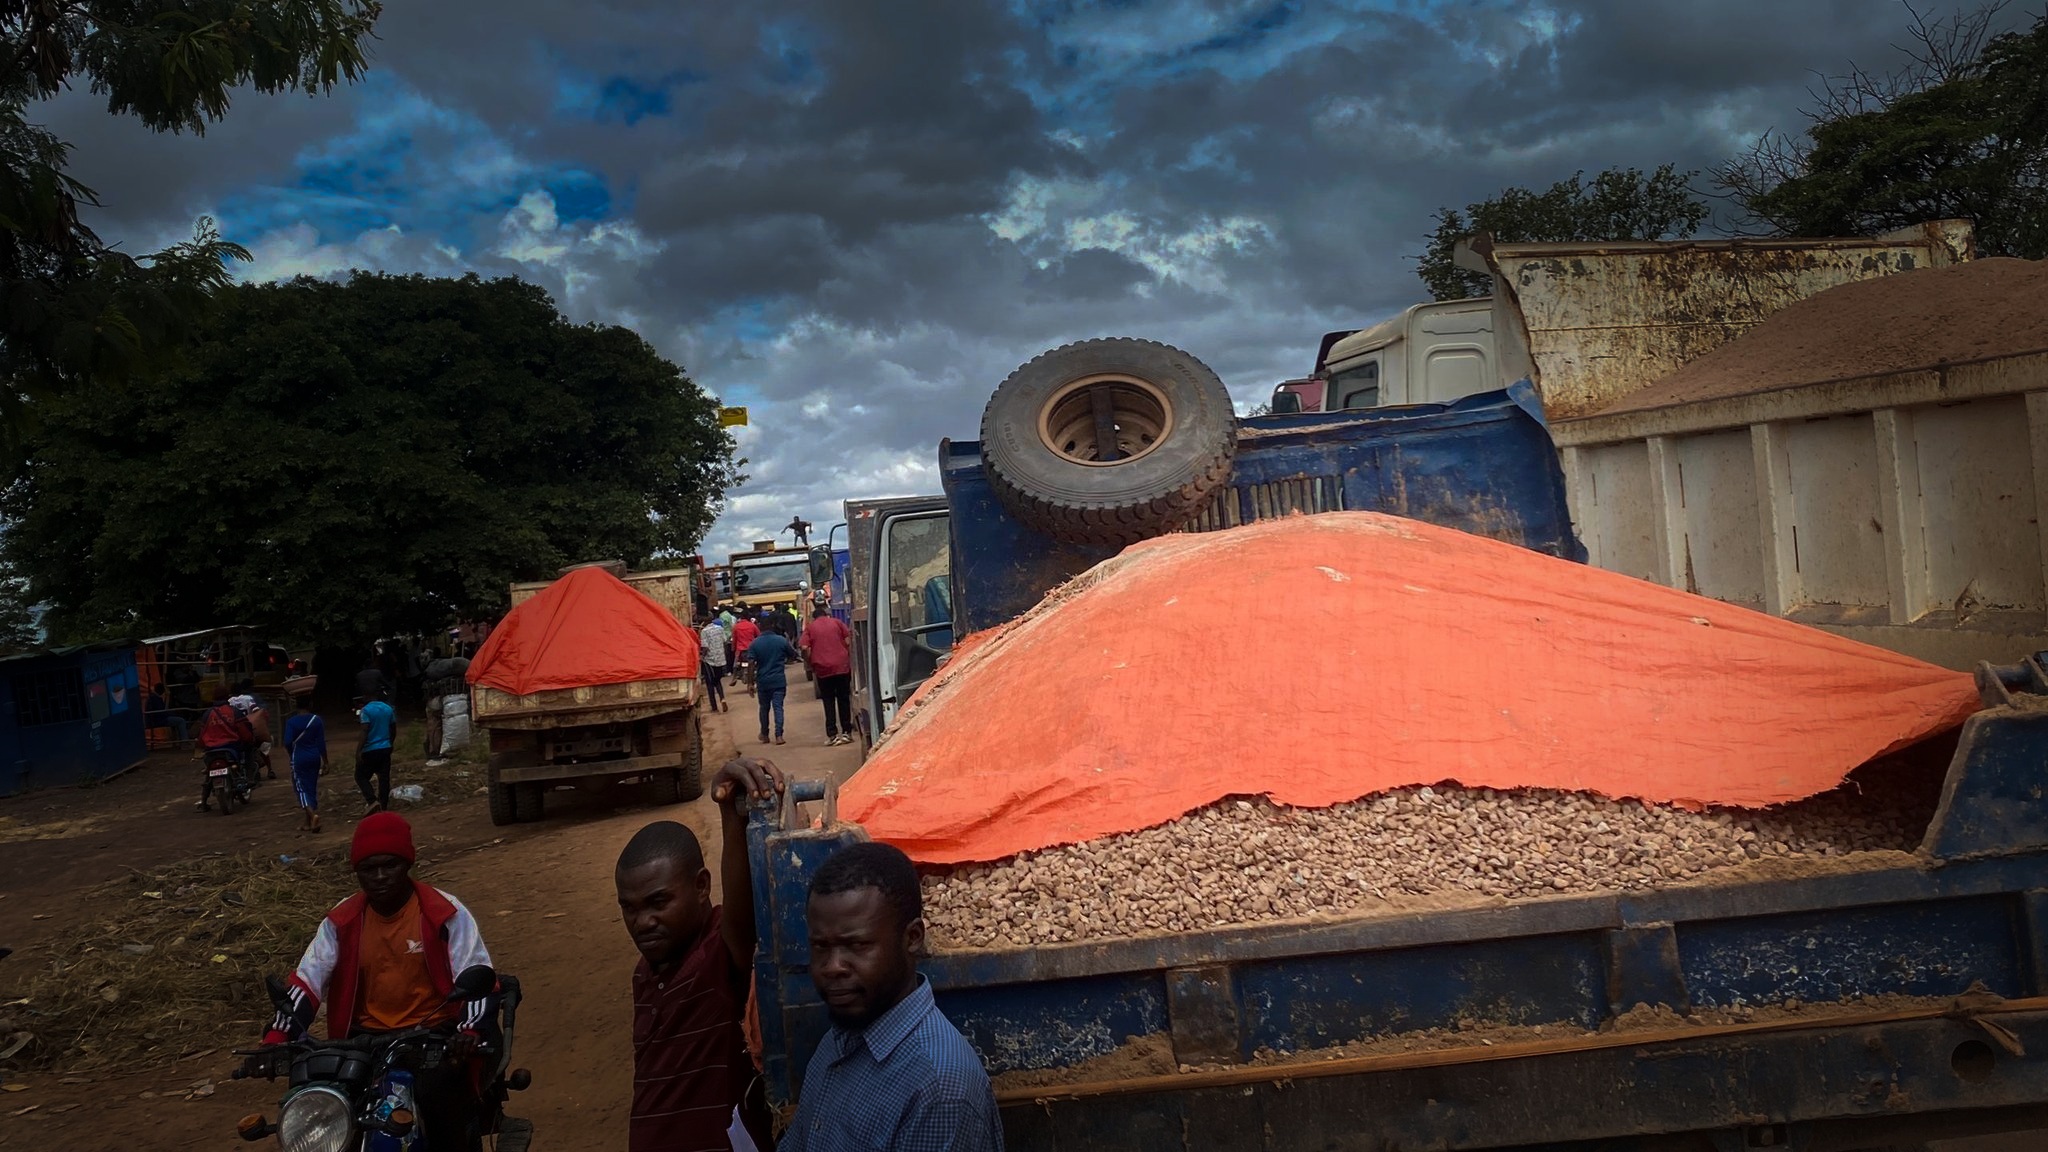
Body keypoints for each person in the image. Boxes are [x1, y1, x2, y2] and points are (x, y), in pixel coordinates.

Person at [264, 813, 497, 1151]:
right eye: (368, 870)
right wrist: (276, 1037)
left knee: (438, 1101)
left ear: (407, 864)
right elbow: (307, 980)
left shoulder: (444, 912)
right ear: (357, 873)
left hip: (432, 1035)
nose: (379, 877)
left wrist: (470, 1031)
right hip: (362, 1041)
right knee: (318, 1105)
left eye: (390, 866)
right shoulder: (341, 921)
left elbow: (476, 974)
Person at [781, 842, 1002, 1151]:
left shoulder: (938, 1090)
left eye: (857, 946)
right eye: (820, 947)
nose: (833, 967)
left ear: (912, 938)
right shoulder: (838, 1042)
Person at [615, 757, 785, 1152]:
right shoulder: (646, 973)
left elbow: (742, 920)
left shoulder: (719, 955)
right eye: (630, 907)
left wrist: (730, 814)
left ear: (702, 886)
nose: (643, 921)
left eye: (658, 902)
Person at [194, 688, 256, 811]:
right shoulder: (234, 712)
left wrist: (203, 745)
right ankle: (249, 778)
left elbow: (201, 735)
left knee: (208, 773)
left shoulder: (207, 714)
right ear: (227, 697)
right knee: (249, 750)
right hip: (231, 747)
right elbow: (245, 733)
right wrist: (249, 739)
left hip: (211, 749)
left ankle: (204, 802)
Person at [802, 608, 855, 746]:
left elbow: (804, 647)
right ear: (827, 615)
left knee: (828, 701)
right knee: (844, 699)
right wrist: (846, 656)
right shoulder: (837, 622)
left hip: (822, 669)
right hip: (842, 667)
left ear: (814, 618)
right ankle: (847, 733)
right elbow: (848, 640)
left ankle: (832, 735)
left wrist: (809, 662)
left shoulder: (810, 627)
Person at [744, 625, 796, 746]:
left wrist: (750, 683)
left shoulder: (754, 644)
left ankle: (765, 734)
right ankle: (779, 735)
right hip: (778, 680)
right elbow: (793, 654)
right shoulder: (781, 640)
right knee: (778, 707)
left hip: (763, 681)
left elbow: (751, 663)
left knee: (764, 708)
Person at [283, 696, 327, 832]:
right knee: (311, 788)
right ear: (310, 704)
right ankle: (308, 823)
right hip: (314, 757)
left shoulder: (291, 722)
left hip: (299, 758)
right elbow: (321, 743)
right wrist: (326, 761)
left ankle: (313, 816)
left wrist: (292, 754)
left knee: (301, 789)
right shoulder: (317, 720)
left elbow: (287, 741)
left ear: (296, 706)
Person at [356, 693, 398, 813]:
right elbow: (393, 728)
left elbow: (364, 730)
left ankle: (372, 801)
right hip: (385, 747)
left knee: (360, 776)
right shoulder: (388, 708)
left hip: (370, 749)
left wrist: (359, 750)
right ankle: (383, 806)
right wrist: (390, 743)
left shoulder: (366, 710)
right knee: (384, 778)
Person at [699, 616, 729, 713]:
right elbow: (725, 641)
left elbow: (705, 647)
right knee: (717, 681)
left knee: (710, 683)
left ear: (704, 622)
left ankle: (714, 707)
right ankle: (722, 698)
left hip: (710, 660)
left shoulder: (704, 631)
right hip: (720, 659)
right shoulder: (720, 629)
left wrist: (701, 657)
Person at [730, 611, 762, 698]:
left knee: (736, 664)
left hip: (740, 651)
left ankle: (734, 677)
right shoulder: (752, 625)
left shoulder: (736, 627)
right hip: (752, 649)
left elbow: (734, 640)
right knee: (758, 664)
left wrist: (733, 649)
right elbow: (759, 636)